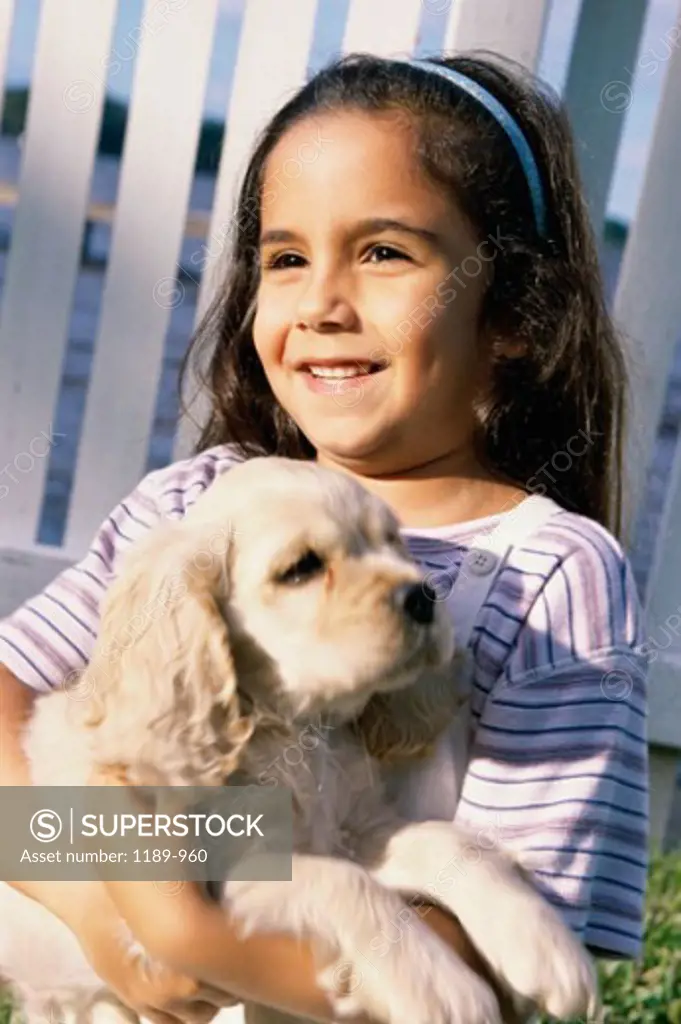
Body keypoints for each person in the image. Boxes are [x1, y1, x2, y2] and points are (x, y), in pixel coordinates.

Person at [0, 50, 648, 1024]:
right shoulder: (194, 504)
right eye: (287, 257)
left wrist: (188, 936)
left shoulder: (552, 573)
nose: (321, 304)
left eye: (384, 252)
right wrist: (106, 905)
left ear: (509, 312)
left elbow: (499, 976)